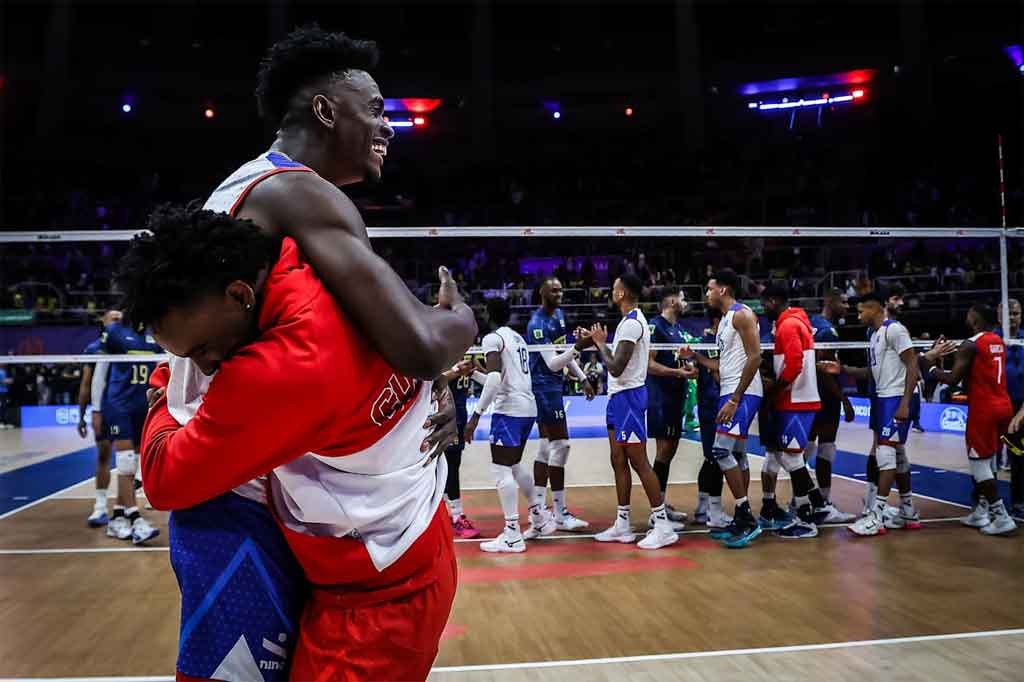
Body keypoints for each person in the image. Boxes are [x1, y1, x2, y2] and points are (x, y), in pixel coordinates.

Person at [154, 27, 477, 681]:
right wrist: (463, 321)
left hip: (241, 480)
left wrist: (429, 390)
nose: (389, 126)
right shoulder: (298, 194)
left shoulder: (251, 190)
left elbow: (373, 340)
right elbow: (412, 342)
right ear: (326, 110)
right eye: (377, 110)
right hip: (233, 494)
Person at [126, 206, 470, 681]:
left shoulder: (282, 369)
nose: (202, 369)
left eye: (201, 350)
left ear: (240, 293)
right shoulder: (316, 259)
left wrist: (164, 398)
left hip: (378, 599)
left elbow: (164, 480)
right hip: (400, 543)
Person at [579, 274, 678, 549]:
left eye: (614, 288)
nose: (611, 292)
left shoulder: (633, 323)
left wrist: (599, 343)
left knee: (638, 460)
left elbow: (616, 367)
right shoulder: (627, 322)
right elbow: (617, 361)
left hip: (630, 398)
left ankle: (662, 525)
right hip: (617, 397)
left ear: (622, 293)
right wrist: (596, 341)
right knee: (617, 458)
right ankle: (623, 524)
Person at [465, 297, 556, 552]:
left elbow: (494, 380)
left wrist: (476, 416)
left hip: (510, 411)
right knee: (514, 465)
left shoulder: (492, 338)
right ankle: (539, 516)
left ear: (488, 314)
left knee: (501, 469)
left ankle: (512, 534)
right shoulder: (518, 338)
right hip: (527, 408)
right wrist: (473, 372)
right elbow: (499, 381)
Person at [681, 269, 763, 548]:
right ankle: (743, 518)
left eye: (709, 288)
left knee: (720, 450)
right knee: (737, 454)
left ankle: (746, 517)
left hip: (743, 393)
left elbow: (756, 358)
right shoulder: (727, 320)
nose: (706, 293)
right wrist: (697, 357)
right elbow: (723, 365)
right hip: (730, 390)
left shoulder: (741, 314)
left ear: (723, 290)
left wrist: (735, 398)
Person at [922, 304, 1017, 535]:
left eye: (968, 313)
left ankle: (1000, 514)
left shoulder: (970, 344)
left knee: (979, 464)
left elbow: (954, 379)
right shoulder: (997, 341)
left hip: (983, 409)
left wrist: (932, 368)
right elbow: (978, 367)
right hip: (1004, 406)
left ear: (974, 318)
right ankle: (982, 511)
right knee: (990, 459)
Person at [839, 292, 921, 536]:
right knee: (898, 454)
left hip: (897, 397)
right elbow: (874, 371)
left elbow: (912, 364)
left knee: (885, 455)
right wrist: (844, 369)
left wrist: (905, 403)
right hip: (886, 396)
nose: (858, 314)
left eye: (862, 310)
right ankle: (907, 510)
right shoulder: (875, 335)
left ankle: (876, 515)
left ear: (875, 309)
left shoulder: (894, 330)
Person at [756, 285, 831, 539]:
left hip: (796, 400)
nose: (763, 309)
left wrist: (776, 388)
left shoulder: (788, 326)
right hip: (799, 399)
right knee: (791, 458)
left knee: (791, 459)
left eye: (765, 304)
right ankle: (816, 506)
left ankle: (805, 518)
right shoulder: (795, 322)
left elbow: (795, 362)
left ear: (775, 300)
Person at [526, 277, 594, 532]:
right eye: (554, 290)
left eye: (561, 289)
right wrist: (578, 347)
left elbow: (564, 352)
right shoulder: (537, 325)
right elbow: (553, 362)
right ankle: (560, 513)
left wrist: (583, 376)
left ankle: (539, 511)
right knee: (561, 445)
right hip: (543, 388)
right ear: (542, 293)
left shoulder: (560, 317)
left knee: (545, 448)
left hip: (555, 386)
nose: (559, 293)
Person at [95, 315, 161, 545]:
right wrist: (96, 409)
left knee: (132, 465)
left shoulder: (152, 334)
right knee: (124, 462)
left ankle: (117, 516)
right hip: (118, 405)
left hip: (141, 406)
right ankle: (135, 518)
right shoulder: (114, 332)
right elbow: (100, 371)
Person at [804, 289, 857, 522]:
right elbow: (821, 367)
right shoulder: (828, 330)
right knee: (826, 449)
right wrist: (843, 398)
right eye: (843, 302)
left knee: (804, 449)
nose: (847, 307)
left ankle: (801, 499)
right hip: (825, 398)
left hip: (808, 395)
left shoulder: (812, 323)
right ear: (830, 301)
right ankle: (823, 503)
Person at [646, 287, 696, 527]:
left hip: (676, 397)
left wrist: (689, 368)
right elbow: (649, 364)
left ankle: (661, 504)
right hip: (661, 398)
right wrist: (678, 372)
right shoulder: (656, 326)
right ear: (673, 301)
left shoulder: (677, 329)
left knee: (670, 451)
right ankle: (656, 514)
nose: (686, 302)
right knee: (663, 452)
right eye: (683, 298)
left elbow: (679, 360)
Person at [76, 309, 123, 527]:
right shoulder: (94, 349)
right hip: (103, 409)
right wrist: (83, 416)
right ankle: (100, 506)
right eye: (113, 318)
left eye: (120, 319)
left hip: (126, 409)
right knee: (104, 454)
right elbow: (86, 384)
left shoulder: (130, 344)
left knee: (128, 459)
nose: (117, 321)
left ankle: (124, 510)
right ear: (103, 322)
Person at [691, 306, 733, 532]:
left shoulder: (703, 341)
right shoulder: (711, 342)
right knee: (717, 457)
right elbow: (719, 373)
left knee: (710, 458)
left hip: (710, 406)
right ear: (718, 320)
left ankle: (702, 507)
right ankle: (714, 513)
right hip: (714, 406)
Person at [438, 356, 480, 538]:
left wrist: (476, 370)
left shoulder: (466, 355)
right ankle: (456, 516)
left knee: (452, 464)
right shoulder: (444, 354)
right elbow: (434, 382)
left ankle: (445, 512)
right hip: (445, 416)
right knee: (449, 466)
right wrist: (456, 371)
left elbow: (486, 379)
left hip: (460, 415)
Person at [997, 298, 1024, 519]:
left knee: (1019, 457)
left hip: (1019, 409)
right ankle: (985, 501)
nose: (1012, 318)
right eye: (1008, 314)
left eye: (1016, 314)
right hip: (994, 406)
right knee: (988, 456)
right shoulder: (991, 340)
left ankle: (1019, 502)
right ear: (999, 317)